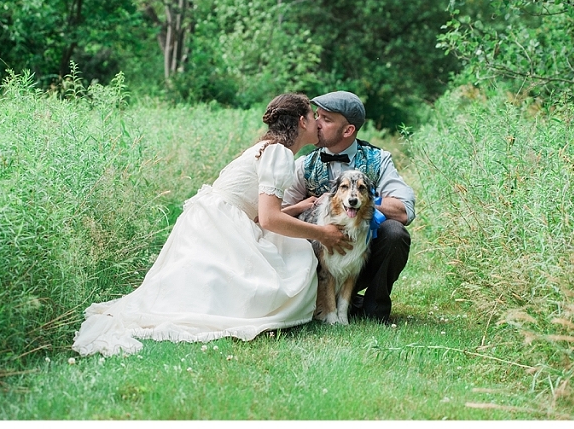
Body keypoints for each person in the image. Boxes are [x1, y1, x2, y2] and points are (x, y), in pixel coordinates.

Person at [72, 93, 350, 357]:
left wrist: (299, 207)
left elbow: (258, 214)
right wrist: (322, 233)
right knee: (300, 254)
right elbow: (268, 220)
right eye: (314, 117)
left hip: (209, 219)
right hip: (220, 227)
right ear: (302, 122)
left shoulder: (265, 148)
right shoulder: (279, 154)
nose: (317, 123)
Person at [282, 91, 416, 323]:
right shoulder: (305, 164)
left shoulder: (378, 159)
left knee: (395, 233)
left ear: (348, 130)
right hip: (317, 259)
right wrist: (311, 212)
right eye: (317, 116)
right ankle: (312, 302)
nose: (317, 124)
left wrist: (362, 201)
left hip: (361, 256)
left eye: (326, 119)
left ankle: (374, 308)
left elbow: (404, 209)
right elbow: (281, 213)